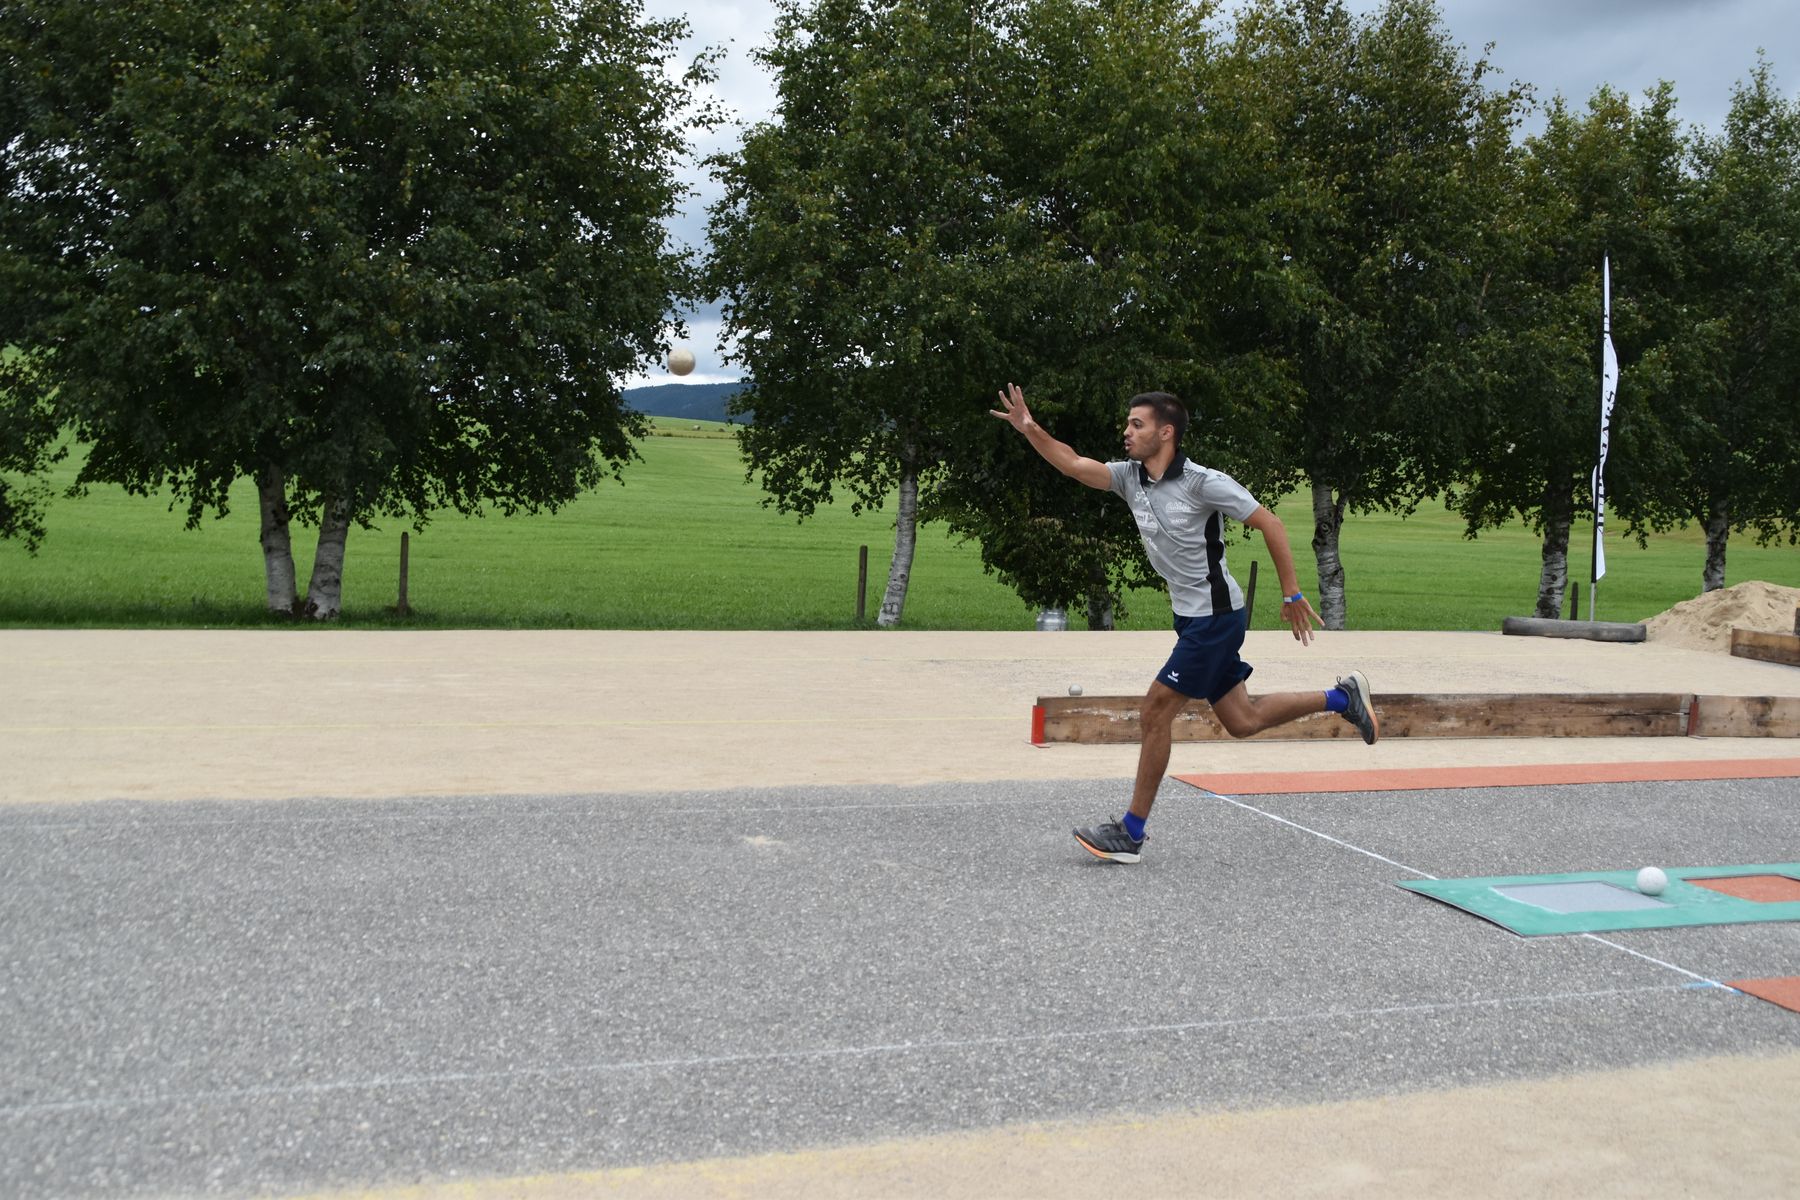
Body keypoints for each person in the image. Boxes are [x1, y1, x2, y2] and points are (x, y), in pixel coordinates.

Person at [991, 383, 1378, 863]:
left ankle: (1131, 833)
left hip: (1216, 619)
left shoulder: (1203, 483)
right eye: (1128, 423)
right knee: (1243, 720)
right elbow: (1071, 463)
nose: (1127, 431)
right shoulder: (1129, 477)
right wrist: (1029, 427)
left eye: (1137, 424)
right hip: (1192, 618)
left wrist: (1292, 593)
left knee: (1155, 710)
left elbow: (1271, 524)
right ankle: (1343, 697)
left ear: (1166, 432)